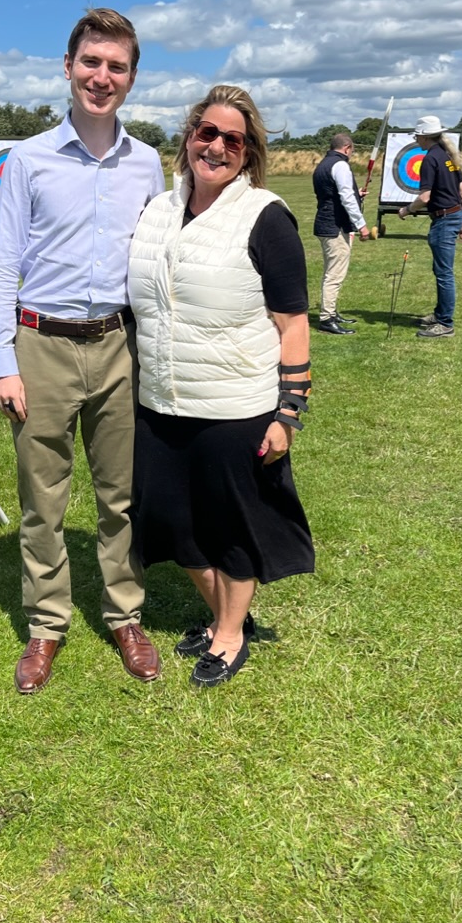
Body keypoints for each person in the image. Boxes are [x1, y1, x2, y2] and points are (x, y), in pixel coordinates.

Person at [0, 9, 165, 694]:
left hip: (119, 346)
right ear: (68, 68)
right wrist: (2, 364)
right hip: (42, 346)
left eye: (116, 67)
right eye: (91, 62)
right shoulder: (28, 160)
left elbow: (157, 262)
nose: (102, 77)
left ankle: (125, 615)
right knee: (44, 501)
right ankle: (46, 626)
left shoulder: (148, 163)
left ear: (131, 78)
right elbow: (4, 267)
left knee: (121, 499)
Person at [127, 85, 315, 688]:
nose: (216, 146)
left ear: (249, 152)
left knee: (231, 527)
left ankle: (231, 634)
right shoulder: (157, 210)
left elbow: (292, 321)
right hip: (161, 400)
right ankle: (223, 616)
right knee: (173, 524)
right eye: (206, 132)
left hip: (237, 404)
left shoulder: (266, 215)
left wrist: (288, 412)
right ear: (188, 138)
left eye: (232, 139)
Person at [397, 116, 462, 339]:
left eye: (417, 135)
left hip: (444, 219)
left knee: (444, 273)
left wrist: (407, 210)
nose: (416, 139)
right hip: (454, 215)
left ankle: (445, 324)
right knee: (441, 271)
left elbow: (425, 197)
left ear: (423, 136)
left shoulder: (430, 159)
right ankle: (439, 315)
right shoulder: (448, 156)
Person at [312, 132, 371, 335]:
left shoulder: (323, 164)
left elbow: (334, 193)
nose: (351, 155)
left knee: (332, 271)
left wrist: (358, 194)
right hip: (334, 226)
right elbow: (345, 197)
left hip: (325, 223)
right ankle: (327, 319)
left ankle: (332, 312)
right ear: (347, 148)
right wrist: (362, 225)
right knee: (334, 275)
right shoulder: (341, 165)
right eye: (351, 151)